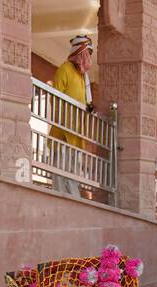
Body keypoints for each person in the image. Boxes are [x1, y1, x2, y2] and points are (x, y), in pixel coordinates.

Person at [48, 35, 95, 197]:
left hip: (76, 132)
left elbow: (85, 100)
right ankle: (60, 196)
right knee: (60, 167)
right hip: (62, 131)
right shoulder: (64, 69)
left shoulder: (83, 77)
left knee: (73, 167)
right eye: (87, 53)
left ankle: (73, 196)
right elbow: (55, 98)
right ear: (80, 52)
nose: (89, 58)